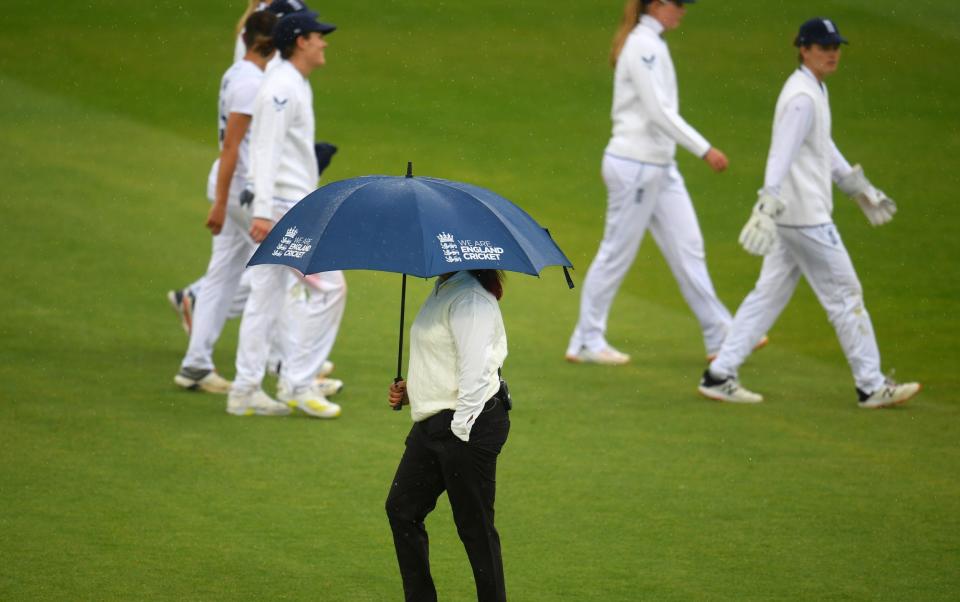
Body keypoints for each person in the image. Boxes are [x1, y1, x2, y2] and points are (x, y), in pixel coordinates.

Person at [698, 18, 921, 408]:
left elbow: (821, 143)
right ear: (804, 49)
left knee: (766, 296)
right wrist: (766, 201)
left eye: (835, 46)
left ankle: (719, 374)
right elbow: (780, 153)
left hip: (793, 218)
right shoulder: (802, 96)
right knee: (846, 293)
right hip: (805, 218)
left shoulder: (812, 89)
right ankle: (870, 385)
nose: (832, 53)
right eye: (823, 46)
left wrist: (857, 187)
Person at [565, 0, 743, 366]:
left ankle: (720, 333)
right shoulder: (642, 45)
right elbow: (658, 111)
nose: (683, 10)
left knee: (689, 247)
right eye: (678, 4)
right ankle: (586, 339)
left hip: (660, 166)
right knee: (616, 252)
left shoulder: (653, 42)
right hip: (635, 165)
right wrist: (704, 149)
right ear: (657, 5)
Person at [227, 10, 346, 418]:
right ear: (299, 41)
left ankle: (245, 390)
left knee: (266, 296)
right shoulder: (281, 86)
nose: (324, 42)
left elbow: (279, 147)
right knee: (330, 287)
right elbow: (264, 148)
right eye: (318, 36)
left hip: (283, 203)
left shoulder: (291, 82)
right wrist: (262, 211)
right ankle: (297, 383)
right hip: (281, 210)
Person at [385, 270, 511, 602]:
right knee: (402, 509)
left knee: (475, 527)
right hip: (436, 422)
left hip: (469, 424)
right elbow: (443, 357)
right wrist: (415, 390)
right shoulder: (445, 287)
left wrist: (460, 432)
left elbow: (474, 372)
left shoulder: (470, 300)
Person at [173, 10, 278, 394]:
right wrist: (219, 203)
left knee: (221, 276)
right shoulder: (252, 83)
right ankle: (286, 367)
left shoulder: (237, 74)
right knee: (278, 269)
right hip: (240, 190)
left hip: (231, 186)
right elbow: (232, 146)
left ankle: (195, 365)